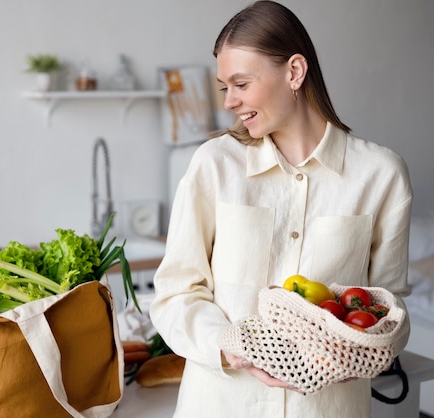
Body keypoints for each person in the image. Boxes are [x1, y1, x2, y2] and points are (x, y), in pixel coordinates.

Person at [149, 1, 413, 417]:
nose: (230, 102)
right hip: (220, 405)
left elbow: (390, 308)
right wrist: (235, 347)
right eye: (225, 87)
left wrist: (365, 353)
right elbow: (175, 293)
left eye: (241, 84)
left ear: (294, 72)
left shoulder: (381, 175)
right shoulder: (214, 164)